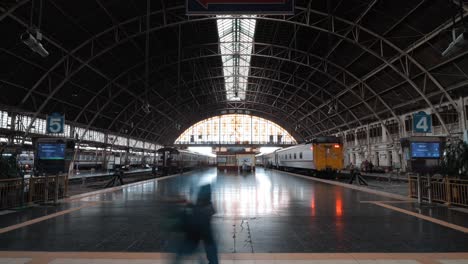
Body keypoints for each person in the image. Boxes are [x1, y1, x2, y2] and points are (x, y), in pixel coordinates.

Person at [172, 184, 218, 264]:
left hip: (194, 230)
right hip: (205, 230)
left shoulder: (197, 207)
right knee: (210, 247)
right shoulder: (208, 207)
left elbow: (187, 215)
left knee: (186, 247)